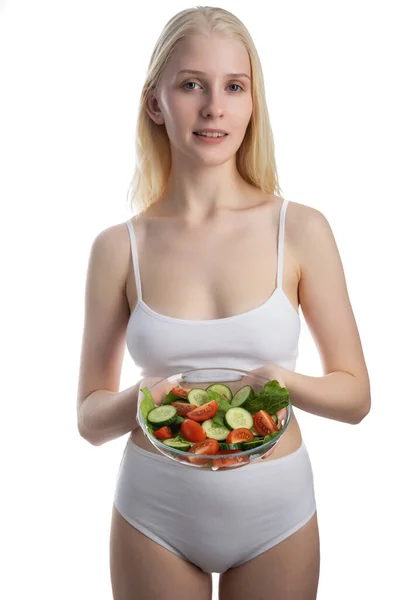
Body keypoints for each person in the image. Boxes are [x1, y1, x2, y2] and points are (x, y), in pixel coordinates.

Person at [76, 6, 371, 599]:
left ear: (252, 103)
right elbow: (88, 419)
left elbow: (356, 397)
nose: (215, 108)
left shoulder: (302, 229)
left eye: (234, 87)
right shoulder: (117, 248)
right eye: (192, 85)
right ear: (155, 103)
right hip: (153, 516)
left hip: (276, 518)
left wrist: (281, 384)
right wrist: (144, 399)